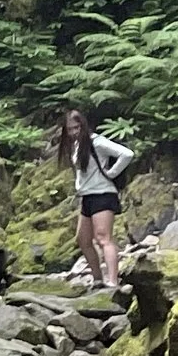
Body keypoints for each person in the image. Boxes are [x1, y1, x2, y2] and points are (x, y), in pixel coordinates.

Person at [55, 109, 137, 290]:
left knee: (103, 238)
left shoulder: (97, 142)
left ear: (83, 125)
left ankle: (113, 281)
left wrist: (111, 173)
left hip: (103, 194)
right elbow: (81, 172)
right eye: (70, 129)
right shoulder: (76, 146)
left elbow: (127, 154)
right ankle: (98, 278)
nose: (74, 132)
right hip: (87, 197)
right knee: (83, 240)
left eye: (77, 127)